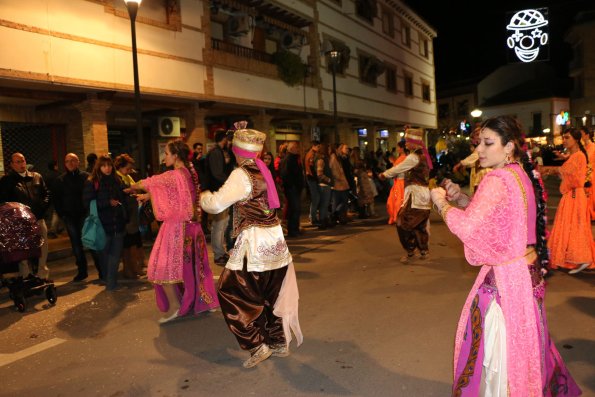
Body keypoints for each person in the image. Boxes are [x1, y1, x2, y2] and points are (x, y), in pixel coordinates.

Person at [430, 116, 581, 396]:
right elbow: (496, 216)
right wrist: (461, 199)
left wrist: (440, 203)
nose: (481, 151)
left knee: (499, 359)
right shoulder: (518, 174)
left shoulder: (496, 180)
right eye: (479, 144)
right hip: (525, 273)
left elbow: (465, 226)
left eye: (488, 143)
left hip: (505, 280)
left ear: (509, 145)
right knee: (523, 349)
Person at [201, 128, 302, 368]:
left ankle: (257, 344)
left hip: (254, 244)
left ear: (237, 151)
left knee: (230, 291)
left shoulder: (242, 173)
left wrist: (204, 196)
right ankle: (277, 342)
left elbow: (216, 205)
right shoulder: (263, 169)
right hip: (276, 242)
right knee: (271, 294)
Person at [127, 140, 219, 323]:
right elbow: (175, 192)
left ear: (176, 155)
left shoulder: (176, 174)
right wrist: (149, 195)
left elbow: (154, 181)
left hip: (178, 228)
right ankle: (198, 302)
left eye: (167, 153)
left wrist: (132, 186)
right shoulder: (188, 171)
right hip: (192, 227)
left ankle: (177, 307)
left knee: (162, 268)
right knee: (193, 268)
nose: (164, 157)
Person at [379, 129, 432, 263]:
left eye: (408, 141)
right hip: (424, 196)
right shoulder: (422, 155)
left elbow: (399, 168)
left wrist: (385, 174)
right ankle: (423, 251)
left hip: (416, 195)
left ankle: (410, 251)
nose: (406, 144)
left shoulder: (414, 157)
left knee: (402, 222)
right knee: (419, 225)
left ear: (414, 143)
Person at [547, 127, 594, 275]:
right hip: (572, 194)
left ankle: (583, 258)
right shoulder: (575, 155)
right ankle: (576, 258)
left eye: (567, 137)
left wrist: (555, 172)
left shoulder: (578, 156)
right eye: (564, 137)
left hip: (573, 194)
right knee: (570, 226)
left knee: (575, 226)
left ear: (576, 139)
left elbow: (573, 178)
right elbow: (567, 173)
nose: (564, 140)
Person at [0, 152, 50, 279]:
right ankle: (26, 276)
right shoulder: (7, 180)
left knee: (42, 247)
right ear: (11, 164)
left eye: (22, 161)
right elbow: (4, 201)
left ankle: (42, 274)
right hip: (20, 223)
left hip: (38, 218)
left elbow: (47, 194)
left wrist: (42, 207)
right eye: (17, 162)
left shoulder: (36, 176)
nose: (21, 164)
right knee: (23, 250)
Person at [83, 155, 128, 291]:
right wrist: (107, 203)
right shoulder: (92, 182)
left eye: (109, 165)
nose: (107, 168)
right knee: (105, 256)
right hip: (102, 226)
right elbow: (87, 203)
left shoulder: (117, 180)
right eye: (104, 166)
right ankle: (109, 282)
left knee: (115, 256)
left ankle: (111, 284)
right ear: (99, 167)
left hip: (118, 224)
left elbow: (123, 196)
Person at [54, 153, 101, 281]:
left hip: (85, 216)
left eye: (73, 160)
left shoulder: (87, 177)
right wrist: (62, 214)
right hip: (69, 217)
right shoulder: (60, 180)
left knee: (91, 242)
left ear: (78, 162)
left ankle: (102, 271)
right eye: (67, 161)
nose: (70, 163)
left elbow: (94, 195)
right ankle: (82, 271)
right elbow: (56, 199)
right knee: (76, 246)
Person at [114, 154, 144, 280]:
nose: (129, 170)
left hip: (132, 215)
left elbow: (134, 189)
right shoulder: (117, 178)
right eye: (127, 168)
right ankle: (129, 270)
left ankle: (135, 267)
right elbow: (124, 192)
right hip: (126, 216)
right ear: (120, 167)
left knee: (134, 242)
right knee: (127, 244)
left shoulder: (126, 177)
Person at [206, 130, 231, 265]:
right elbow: (217, 174)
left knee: (222, 223)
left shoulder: (217, 152)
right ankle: (218, 253)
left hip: (219, 191)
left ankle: (220, 251)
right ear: (224, 138)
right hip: (218, 192)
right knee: (219, 224)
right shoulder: (216, 152)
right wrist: (229, 182)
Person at [280, 141, 304, 238]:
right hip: (292, 188)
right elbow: (285, 175)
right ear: (291, 149)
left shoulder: (294, 159)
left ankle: (295, 229)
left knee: (295, 209)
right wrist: (292, 185)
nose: (298, 149)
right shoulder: (288, 159)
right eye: (296, 148)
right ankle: (293, 230)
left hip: (295, 188)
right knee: (295, 209)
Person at [386, 140, 407, 225]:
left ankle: (398, 217)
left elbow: (396, 171)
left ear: (402, 148)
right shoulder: (405, 158)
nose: (397, 149)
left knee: (398, 200)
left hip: (400, 182)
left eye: (398, 147)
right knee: (399, 200)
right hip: (401, 182)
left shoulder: (402, 158)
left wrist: (393, 163)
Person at [329, 144, 351, 224]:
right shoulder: (335, 157)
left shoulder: (341, 157)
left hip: (343, 182)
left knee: (342, 201)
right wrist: (340, 178)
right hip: (339, 182)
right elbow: (335, 170)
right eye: (346, 148)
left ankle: (339, 217)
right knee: (339, 201)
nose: (347, 150)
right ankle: (335, 216)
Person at [315, 143, 333, 229]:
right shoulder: (321, 160)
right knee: (324, 204)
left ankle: (325, 220)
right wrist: (328, 180)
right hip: (323, 185)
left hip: (325, 185)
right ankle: (322, 221)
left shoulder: (324, 159)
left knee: (325, 204)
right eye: (328, 149)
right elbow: (319, 173)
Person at [304, 141, 321, 226]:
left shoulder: (311, 153)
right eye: (318, 146)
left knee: (316, 198)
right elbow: (310, 168)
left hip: (311, 178)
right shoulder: (311, 154)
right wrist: (316, 177)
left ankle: (313, 217)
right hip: (311, 179)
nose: (319, 148)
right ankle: (313, 218)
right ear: (313, 146)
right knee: (315, 198)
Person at [580, 126, 595, 219]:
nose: (580, 137)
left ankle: (590, 213)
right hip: (584, 174)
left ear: (587, 135)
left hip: (592, 174)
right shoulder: (583, 147)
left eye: (581, 134)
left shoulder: (593, 147)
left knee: (590, 195)